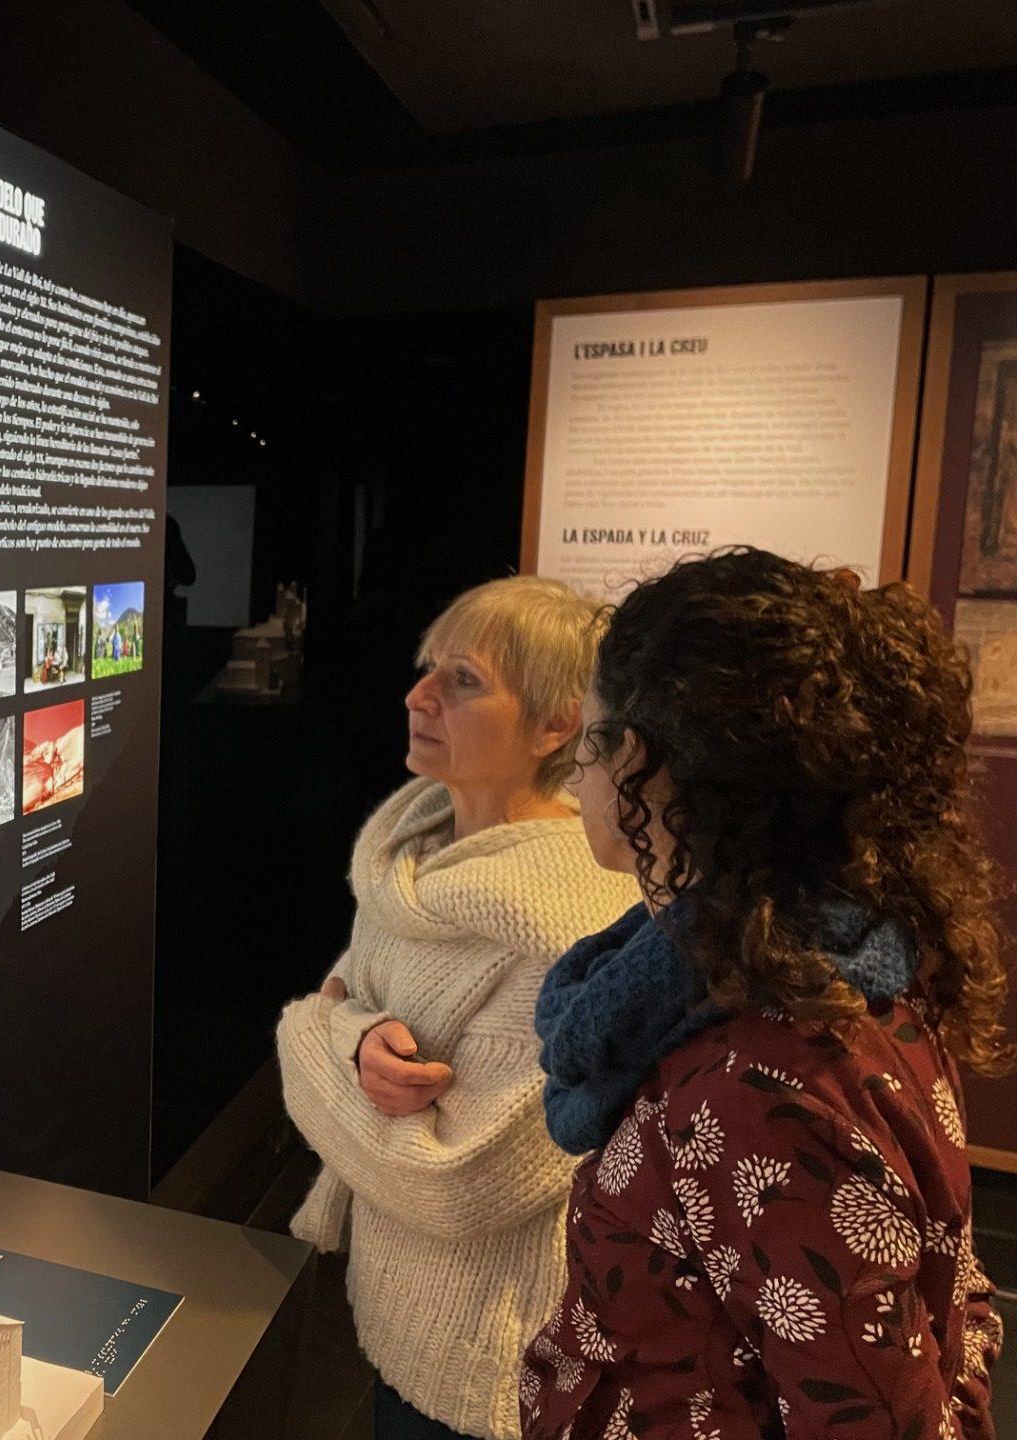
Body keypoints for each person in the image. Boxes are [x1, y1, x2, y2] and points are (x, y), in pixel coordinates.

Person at [522, 550, 1005, 1440]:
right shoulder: (837, 959)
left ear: (637, 760)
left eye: (589, 743)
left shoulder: (761, 1077)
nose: (580, 777)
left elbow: (872, 1418)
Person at [278, 575, 640, 1440]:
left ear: (558, 724)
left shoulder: (572, 923)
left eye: (463, 680)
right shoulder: (416, 849)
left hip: (495, 1364)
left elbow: (456, 1184)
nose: (418, 695)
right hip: (394, 1312)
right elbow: (354, 995)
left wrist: (305, 1038)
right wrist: (357, 1039)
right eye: (427, 669)